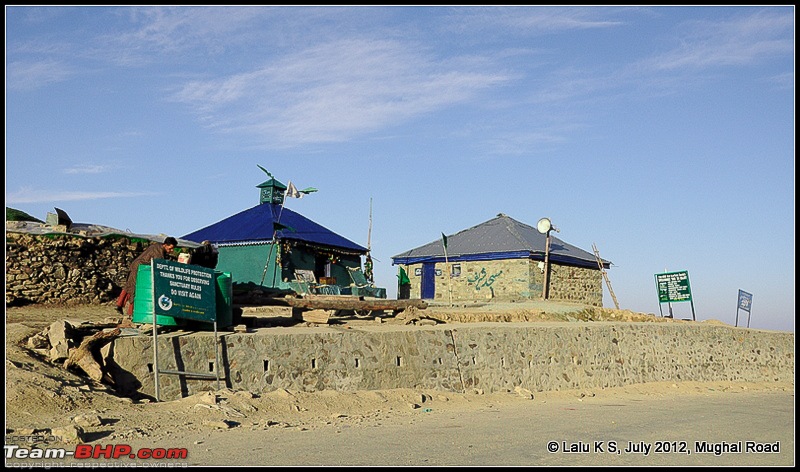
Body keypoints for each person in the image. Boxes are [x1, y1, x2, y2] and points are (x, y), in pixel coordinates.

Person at [115, 237, 178, 322]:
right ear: (165, 245)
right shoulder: (158, 251)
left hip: (137, 266)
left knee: (130, 286)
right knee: (136, 291)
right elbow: (159, 264)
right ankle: (131, 313)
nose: (171, 251)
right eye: (170, 248)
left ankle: (119, 304)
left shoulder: (157, 246)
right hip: (139, 269)